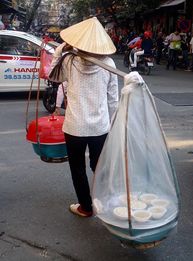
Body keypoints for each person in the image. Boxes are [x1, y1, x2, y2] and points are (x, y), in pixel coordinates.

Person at [49, 17, 119, 217]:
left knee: (77, 168)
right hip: (100, 127)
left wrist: (62, 48)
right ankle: (106, 202)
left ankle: (86, 207)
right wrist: (113, 124)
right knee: (99, 166)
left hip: (75, 127)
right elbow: (113, 100)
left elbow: (53, 76)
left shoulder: (69, 60)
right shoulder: (109, 63)